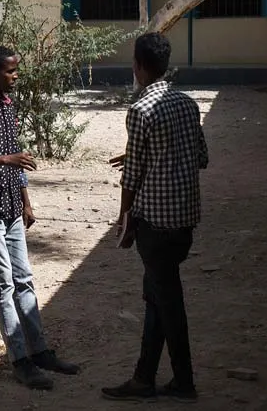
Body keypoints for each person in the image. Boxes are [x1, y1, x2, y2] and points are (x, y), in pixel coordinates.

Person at [0, 45, 80, 391]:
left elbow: (18, 160)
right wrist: (3, 160)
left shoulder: (9, 107)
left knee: (24, 280)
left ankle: (40, 351)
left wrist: (26, 200)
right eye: (9, 71)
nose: (15, 76)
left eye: (15, 70)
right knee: (3, 285)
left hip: (10, 206)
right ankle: (20, 360)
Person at [102, 33, 209, 404]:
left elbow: (132, 178)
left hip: (155, 223)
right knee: (158, 297)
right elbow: (199, 156)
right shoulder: (186, 104)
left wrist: (123, 218)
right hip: (185, 219)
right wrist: (147, 156)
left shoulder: (140, 110)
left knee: (167, 302)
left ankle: (183, 381)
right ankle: (144, 377)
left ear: (138, 66)